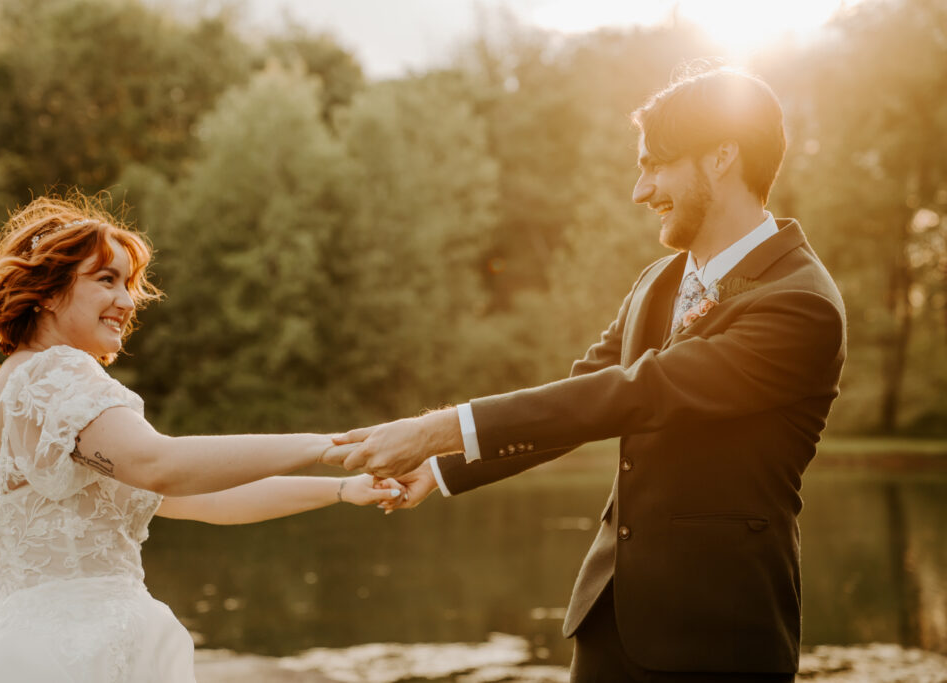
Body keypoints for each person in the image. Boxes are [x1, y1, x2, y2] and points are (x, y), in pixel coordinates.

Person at [325, 67, 847, 682]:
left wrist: (433, 429)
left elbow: (634, 394)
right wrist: (439, 467)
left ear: (721, 158)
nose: (639, 189)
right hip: (610, 624)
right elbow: (579, 395)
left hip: (720, 639)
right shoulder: (657, 281)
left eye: (655, 165)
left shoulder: (800, 303)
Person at [0, 193, 401, 683]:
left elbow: (205, 497)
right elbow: (160, 463)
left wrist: (342, 487)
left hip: (37, 647)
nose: (128, 302)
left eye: (128, 284)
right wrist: (324, 446)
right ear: (47, 291)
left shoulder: (28, 388)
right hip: (73, 654)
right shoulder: (52, 373)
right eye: (106, 279)